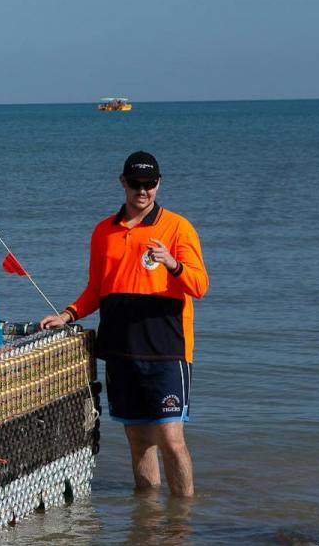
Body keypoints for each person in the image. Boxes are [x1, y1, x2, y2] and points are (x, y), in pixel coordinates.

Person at [39, 151, 208, 498]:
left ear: (159, 184)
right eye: (135, 184)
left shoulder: (177, 227)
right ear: (123, 183)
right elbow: (96, 289)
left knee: (171, 440)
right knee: (139, 441)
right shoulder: (103, 231)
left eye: (149, 184)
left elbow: (200, 285)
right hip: (120, 350)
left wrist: (172, 264)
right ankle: (145, 523)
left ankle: (182, 523)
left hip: (167, 349)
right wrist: (68, 314)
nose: (142, 191)